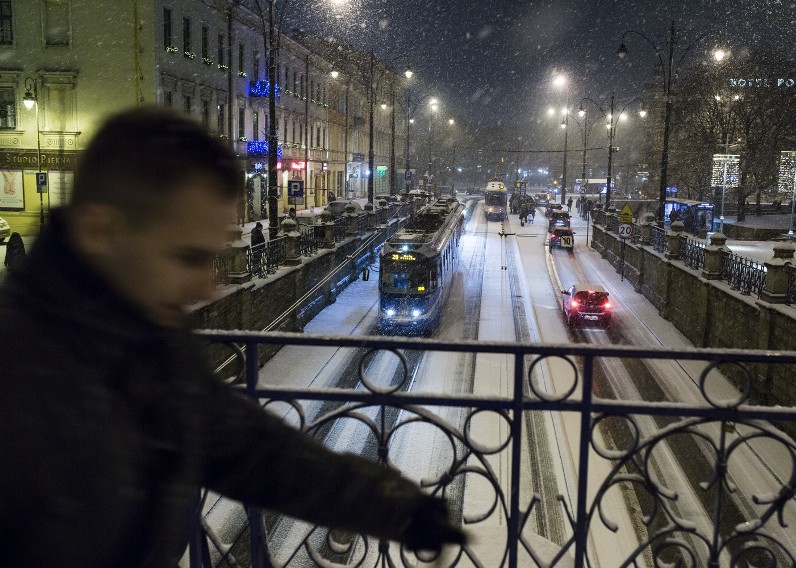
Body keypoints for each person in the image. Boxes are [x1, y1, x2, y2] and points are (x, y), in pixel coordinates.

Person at [0, 107, 465, 567]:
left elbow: (254, 453)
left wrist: (398, 510)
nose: (208, 285)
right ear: (99, 231)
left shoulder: (145, 338)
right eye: (188, 256)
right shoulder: (21, 377)